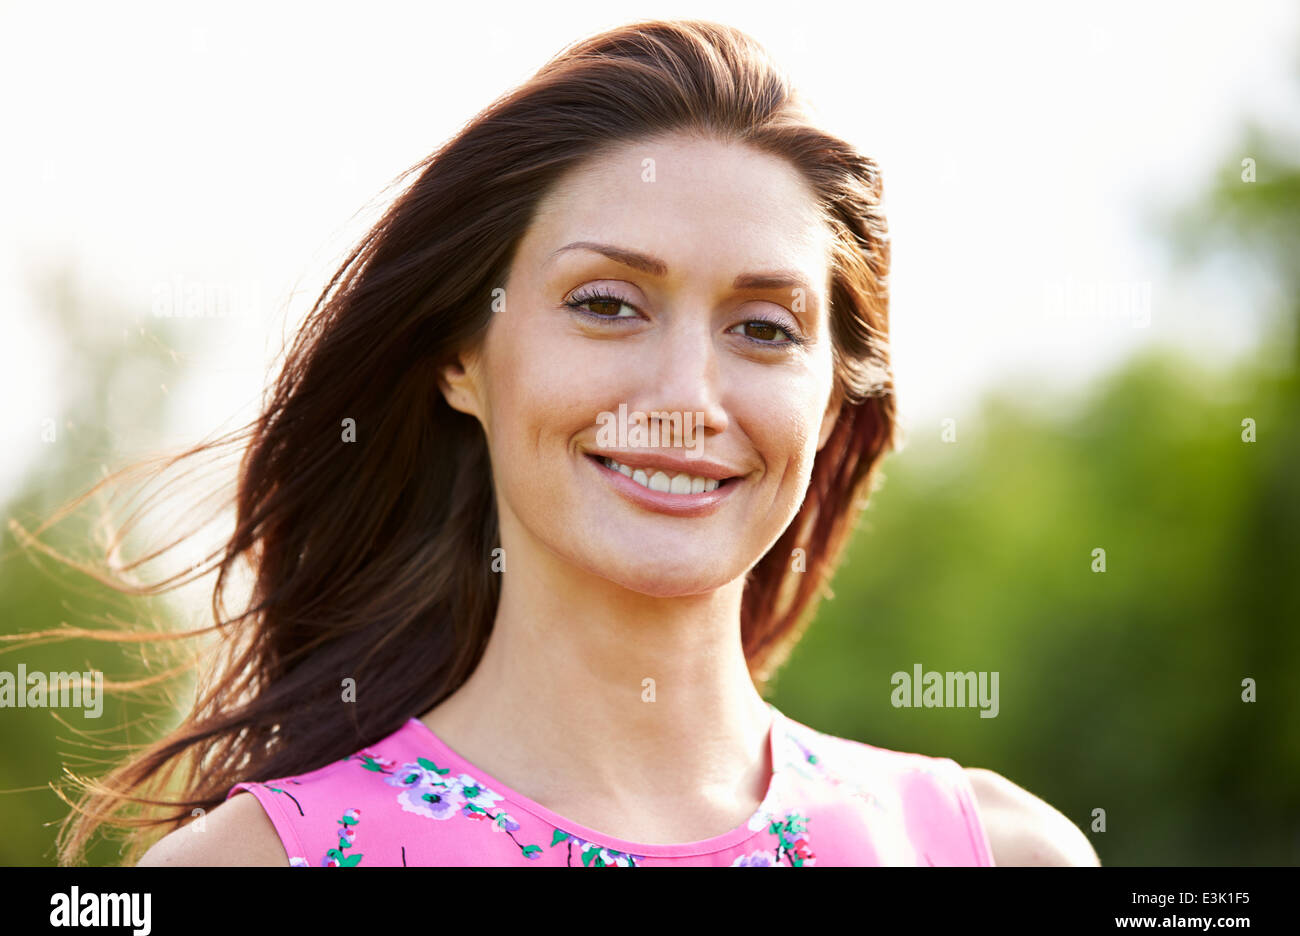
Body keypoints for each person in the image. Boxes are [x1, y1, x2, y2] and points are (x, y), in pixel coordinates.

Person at [63, 18, 1097, 867]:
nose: (685, 395)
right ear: (461, 356)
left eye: (764, 328)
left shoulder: (999, 851)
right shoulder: (247, 864)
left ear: (830, 404)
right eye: (607, 304)